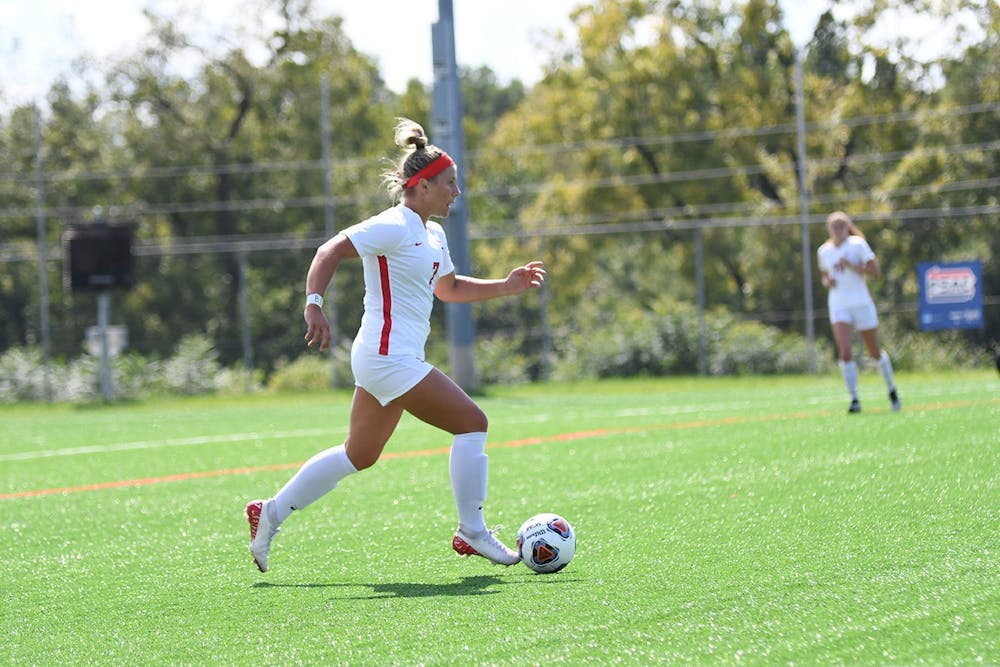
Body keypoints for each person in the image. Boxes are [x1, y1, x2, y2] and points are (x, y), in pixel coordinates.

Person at [244, 118, 546, 573]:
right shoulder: (394, 223)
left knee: (358, 455)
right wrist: (313, 304)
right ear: (420, 186)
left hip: (387, 359)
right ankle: (472, 531)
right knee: (472, 422)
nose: (456, 192)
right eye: (449, 183)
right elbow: (329, 250)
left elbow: (449, 289)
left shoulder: (433, 233)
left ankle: (270, 512)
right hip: (388, 358)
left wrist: (505, 285)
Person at [817, 211, 900, 414]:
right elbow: (826, 276)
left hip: (861, 302)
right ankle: (854, 399)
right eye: (833, 227)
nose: (837, 230)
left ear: (847, 227)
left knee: (874, 353)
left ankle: (891, 389)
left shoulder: (857, 245)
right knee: (845, 352)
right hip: (839, 304)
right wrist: (827, 282)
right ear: (829, 230)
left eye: (841, 226)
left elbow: (875, 271)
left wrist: (852, 266)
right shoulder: (824, 251)